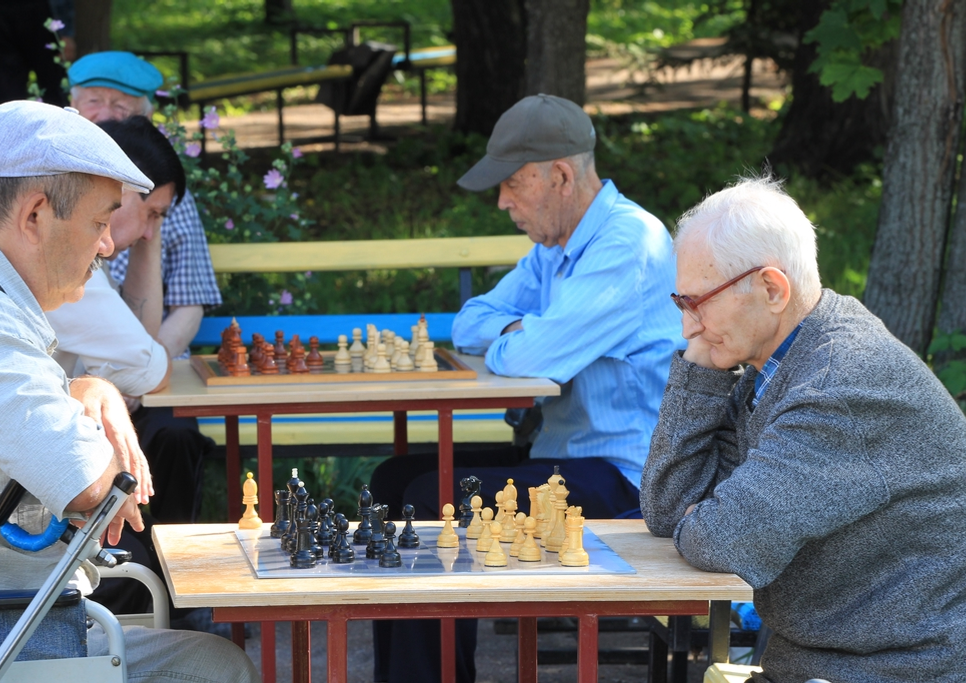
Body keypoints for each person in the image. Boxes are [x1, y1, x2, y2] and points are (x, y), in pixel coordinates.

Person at [369, 94, 684, 683]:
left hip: (624, 477)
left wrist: (522, 336)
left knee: (430, 499)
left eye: (513, 183)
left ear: (560, 176)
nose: (502, 201)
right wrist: (522, 330)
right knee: (392, 480)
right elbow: (468, 321)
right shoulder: (554, 249)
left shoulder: (626, 243)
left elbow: (530, 358)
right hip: (565, 456)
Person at [0, 99, 258, 681]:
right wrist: (95, 405)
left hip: (5, 616)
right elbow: (91, 481)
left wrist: (89, 387)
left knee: (217, 661)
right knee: (218, 670)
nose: (108, 245)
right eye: (98, 223)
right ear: (35, 215)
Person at [641, 175, 966, 683]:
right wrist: (701, 364)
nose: (687, 327)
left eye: (699, 302)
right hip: (826, 663)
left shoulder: (842, 384)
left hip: (898, 670)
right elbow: (669, 506)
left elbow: (727, 540)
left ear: (772, 289)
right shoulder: (779, 364)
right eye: (681, 303)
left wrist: (709, 519)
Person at [67, 52, 222, 527]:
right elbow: (136, 361)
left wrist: (143, 365)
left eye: (121, 107)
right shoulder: (69, 238)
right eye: (94, 102)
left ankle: (165, 554)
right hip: (93, 385)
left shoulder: (161, 188)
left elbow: (187, 305)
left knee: (174, 432)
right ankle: (132, 558)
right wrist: (139, 369)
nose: (106, 116)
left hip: (139, 368)